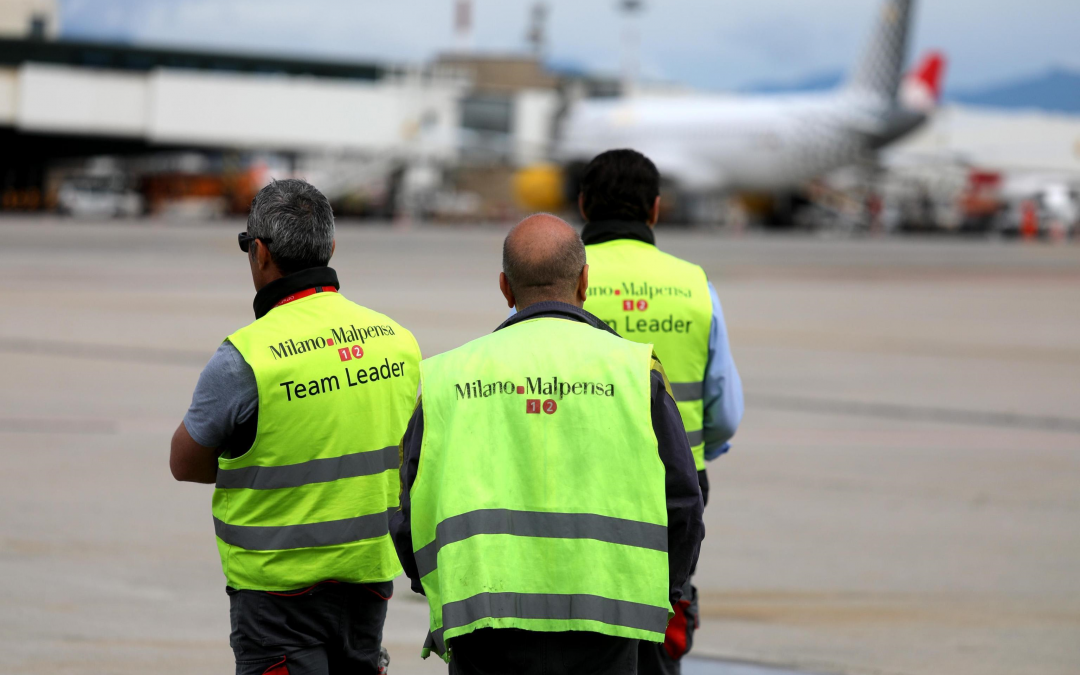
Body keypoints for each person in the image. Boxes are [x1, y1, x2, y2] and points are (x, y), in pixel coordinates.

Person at [390, 214, 705, 675]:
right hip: (606, 625)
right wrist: (660, 592)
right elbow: (682, 502)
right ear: (584, 282)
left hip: (483, 625)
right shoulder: (636, 373)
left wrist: (439, 588)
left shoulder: (447, 376)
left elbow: (407, 509)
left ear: (505, 287)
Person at [170, 179, 421, 675]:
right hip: (367, 584)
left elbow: (185, 462)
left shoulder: (246, 357)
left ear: (260, 252)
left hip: (275, 595)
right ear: (330, 247)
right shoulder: (398, 341)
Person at [578, 149, 744, 674]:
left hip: (581, 479)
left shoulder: (557, 276)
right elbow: (726, 409)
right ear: (654, 209)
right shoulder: (696, 285)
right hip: (676, 485)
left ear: (583, 205)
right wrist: (698, 448)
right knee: (662, 619)